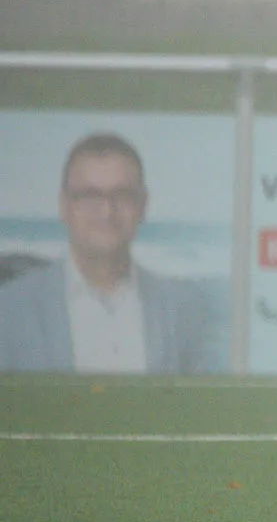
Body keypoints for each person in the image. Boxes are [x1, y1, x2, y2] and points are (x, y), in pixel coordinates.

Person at [0, 132, 222, 375]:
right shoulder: (10, 309)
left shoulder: (181, 309)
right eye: (90, 195)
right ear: (64, 205)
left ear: (143, 205)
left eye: (122, 195)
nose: (107, 211)